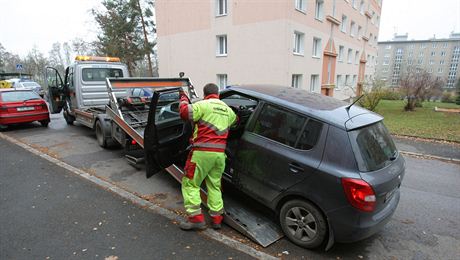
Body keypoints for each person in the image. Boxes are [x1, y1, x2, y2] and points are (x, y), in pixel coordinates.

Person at [178, 83, 237, 230]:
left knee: (190, 183)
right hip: (219, 156)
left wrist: (184, 98)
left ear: (205, 94)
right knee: (214, 185)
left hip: (201, 154)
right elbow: (236, 121)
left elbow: (185, 113)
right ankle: (217, 219)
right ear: (218, 94)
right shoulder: (228, 110)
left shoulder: (202, 105)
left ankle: (196, 219)